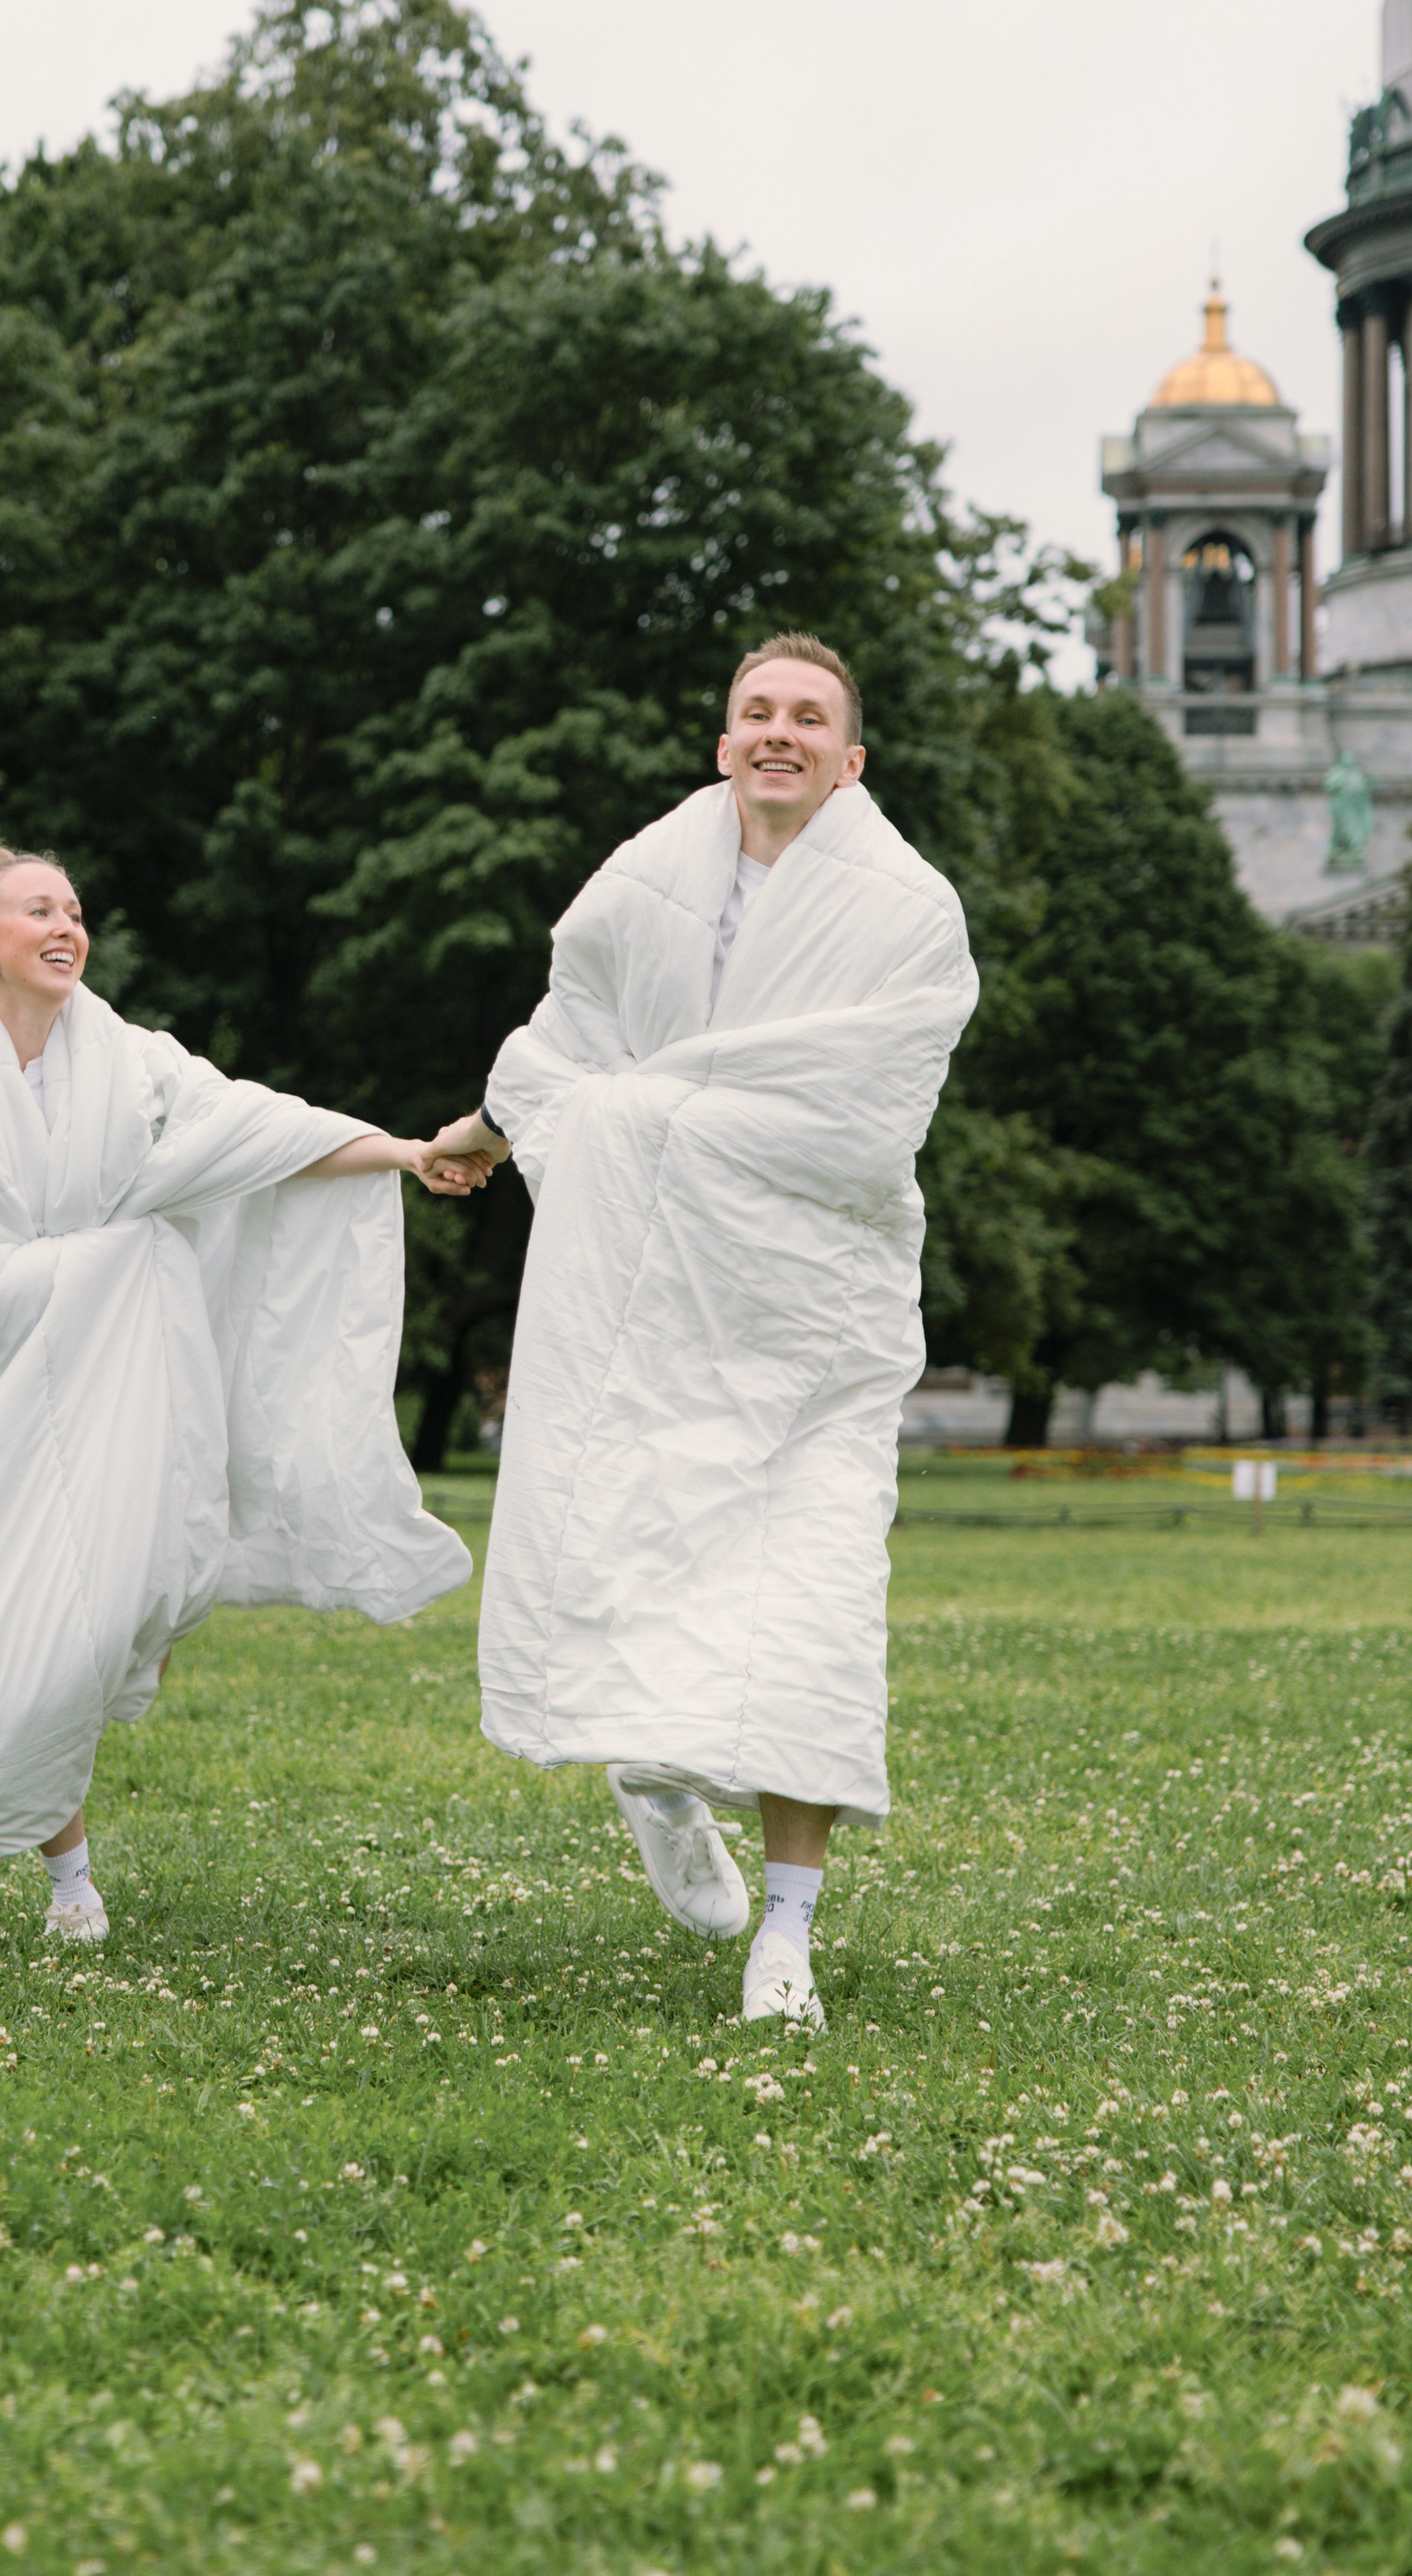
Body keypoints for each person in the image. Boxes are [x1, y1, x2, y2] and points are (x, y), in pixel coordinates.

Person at [426, 637, 977, 2029]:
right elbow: (573, 1037)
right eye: (756, 713)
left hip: (815, 1322)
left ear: (853, 760)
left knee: (814, 1604)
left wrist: (655, 1110)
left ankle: (785, 1935)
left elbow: (861, 1113)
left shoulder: (910, 912)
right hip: (652, 1306)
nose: (777, 734)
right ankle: (654, 1769)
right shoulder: (645, 882)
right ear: (724, 739)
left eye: (808, 719)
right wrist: (490, 1129)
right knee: (637, 1542)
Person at [0, 839, 479, 1943]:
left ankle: (134, 1646)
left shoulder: (134, 1062)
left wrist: (400, 1151)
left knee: (113, 1607)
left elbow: (256, 1129)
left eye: (75, 908)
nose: (68, 926)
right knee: (24, 1651)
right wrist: (96, 1261)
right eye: (39, 911)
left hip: (131, 1385)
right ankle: (70, 1879)